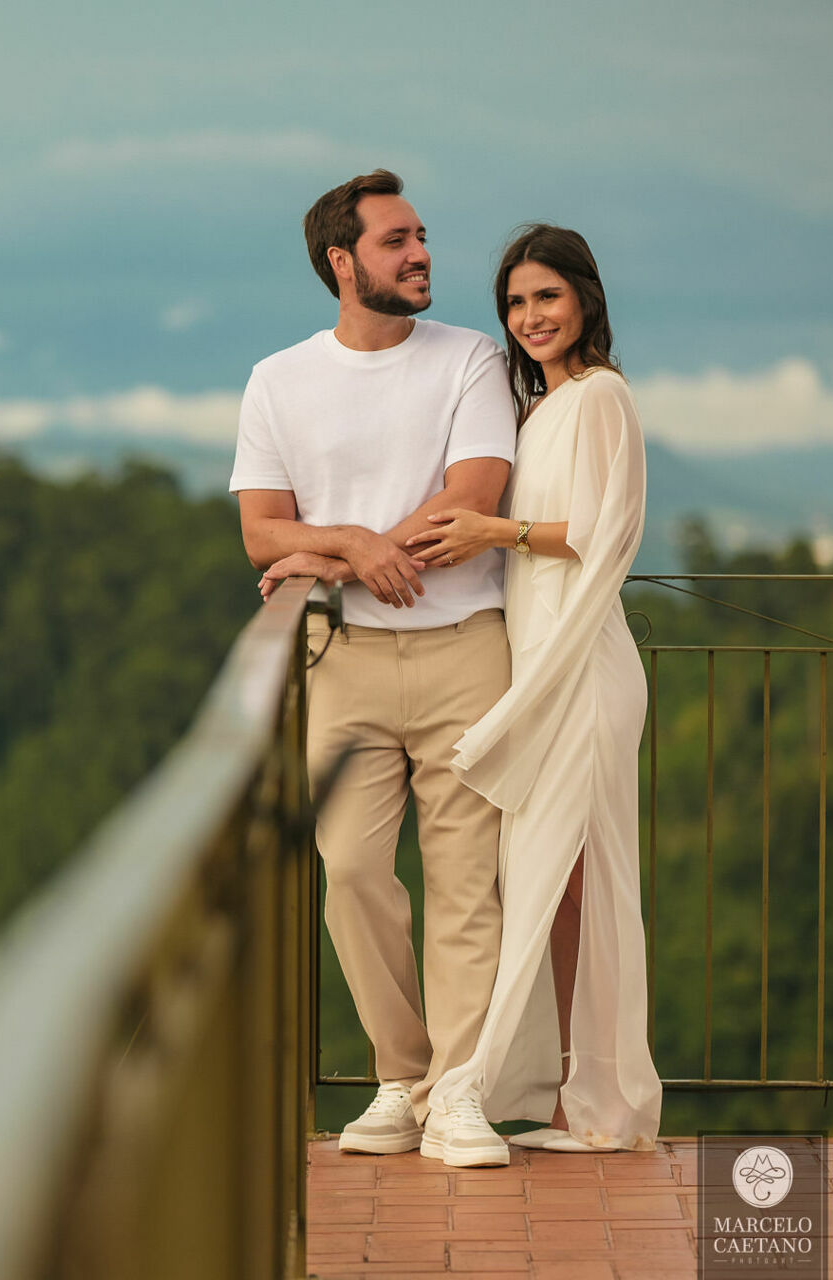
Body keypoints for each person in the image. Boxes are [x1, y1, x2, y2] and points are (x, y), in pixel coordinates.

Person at [232, 169, 522, 1168]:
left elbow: (470, 497)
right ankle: (404, 1075)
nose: (422, 252)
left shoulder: (471, 358)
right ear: (341, 262)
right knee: (351, 870)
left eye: (423, 234)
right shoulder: (279, 378)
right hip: (342, 659)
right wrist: (349, 543)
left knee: (465, 881)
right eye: (398, 240)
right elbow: (259, 533)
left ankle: (461, 1093)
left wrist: (337, 554)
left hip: (466, 649)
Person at [401, 224, 663, 1155]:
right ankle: (582, 1104)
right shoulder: (541, 410)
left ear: (585, 298)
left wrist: (495, 533)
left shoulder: (601, 398)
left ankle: (501, 1092)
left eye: (545, 297)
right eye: (515, 303)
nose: (529, 317)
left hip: (582, 671)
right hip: (545, 660)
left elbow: (604, 534)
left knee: (565, 875)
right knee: (561, 884)